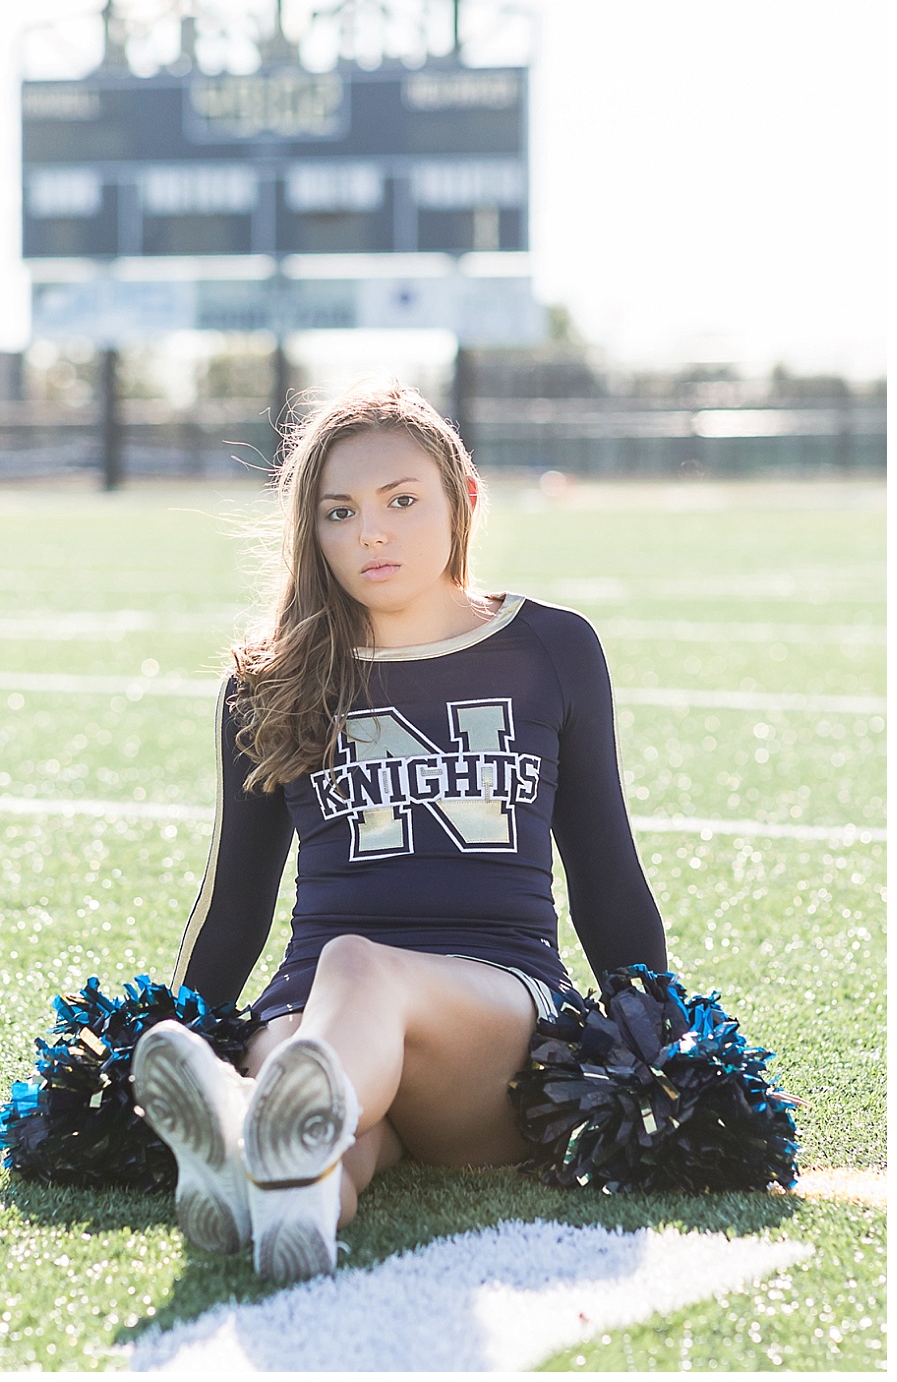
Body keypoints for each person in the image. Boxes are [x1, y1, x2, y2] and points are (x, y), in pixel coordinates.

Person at [131, 380, 668, 1285]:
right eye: (339, 512)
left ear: (464, 501)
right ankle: (284, 1193)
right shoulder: (268, 681)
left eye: (401, 501)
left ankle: (255, 1120)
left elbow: (608, 878)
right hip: (312, 1013)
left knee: (357, 968)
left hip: (497, 1019)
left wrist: (658, 1056)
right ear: (314, 532)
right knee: (327, 1116)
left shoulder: (551, 648)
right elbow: (233, 903)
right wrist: (170, 1033)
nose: (370, 533)